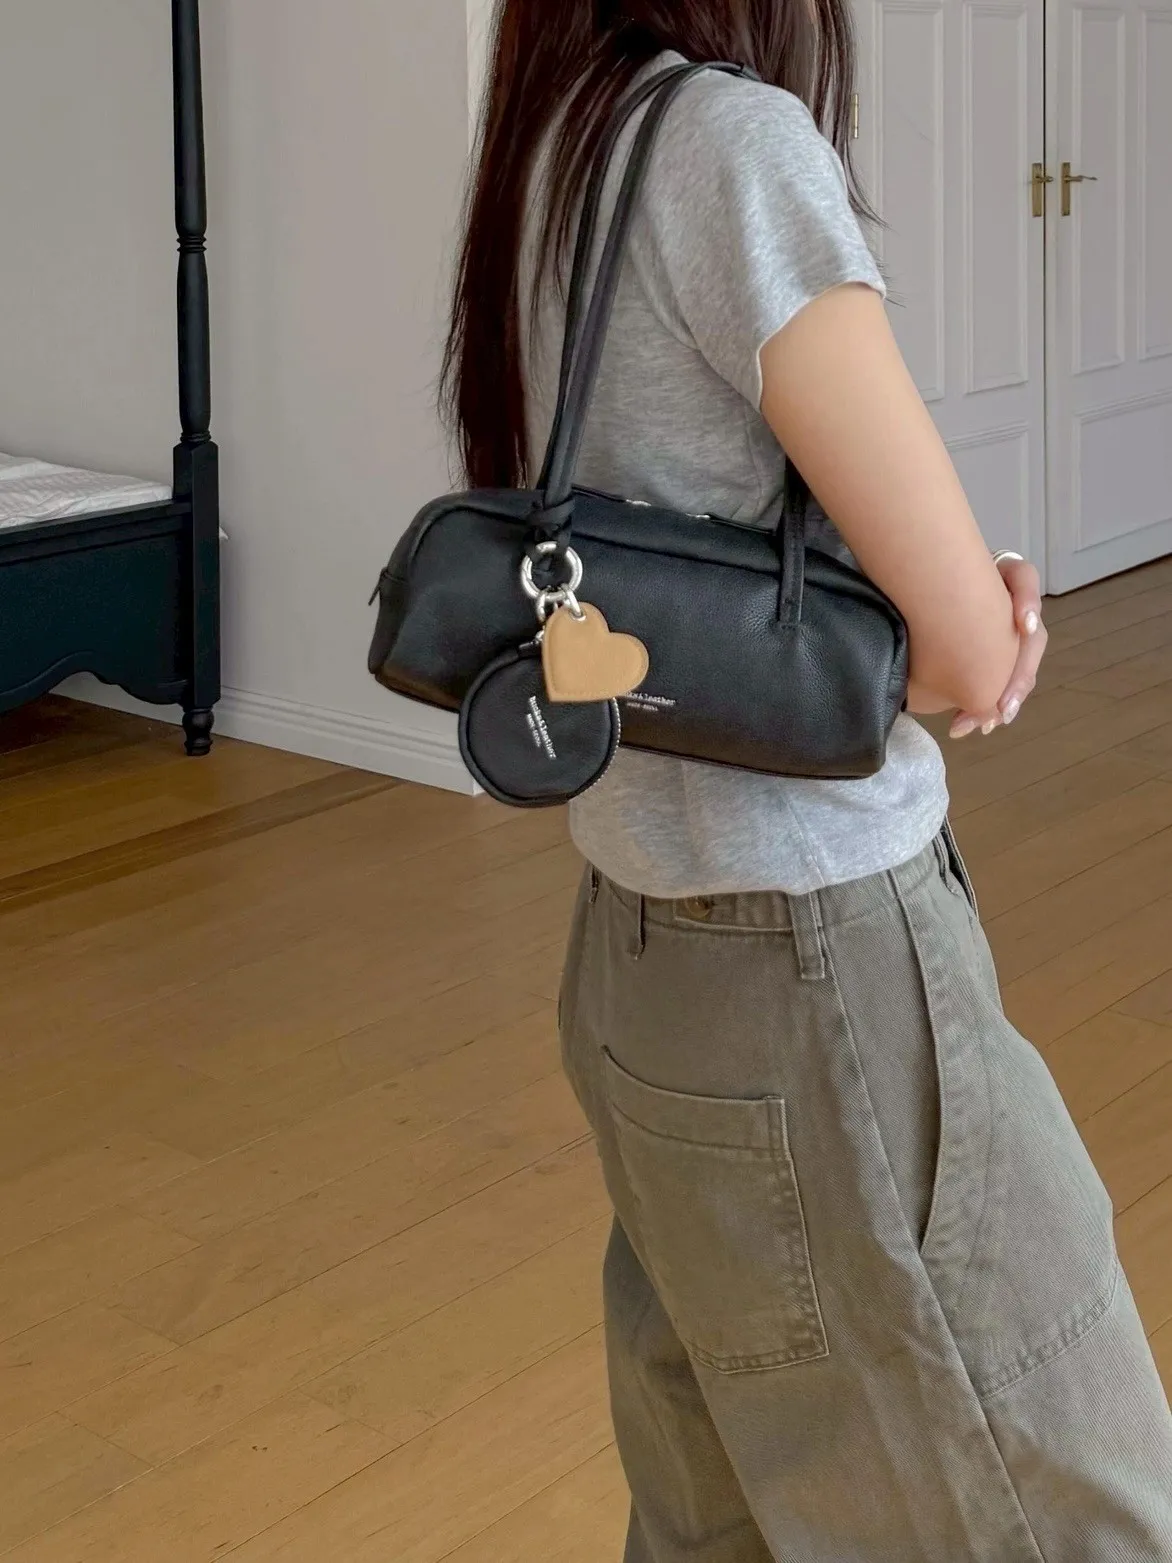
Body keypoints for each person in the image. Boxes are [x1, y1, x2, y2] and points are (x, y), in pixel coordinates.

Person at [443, 4, 1172, 1558]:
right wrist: (983, 612)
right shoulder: (731, 144)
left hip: (637, 954)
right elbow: (967, 655)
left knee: (720, 1511)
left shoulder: (553, 140)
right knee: (1077, 1507)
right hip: (818, 959)